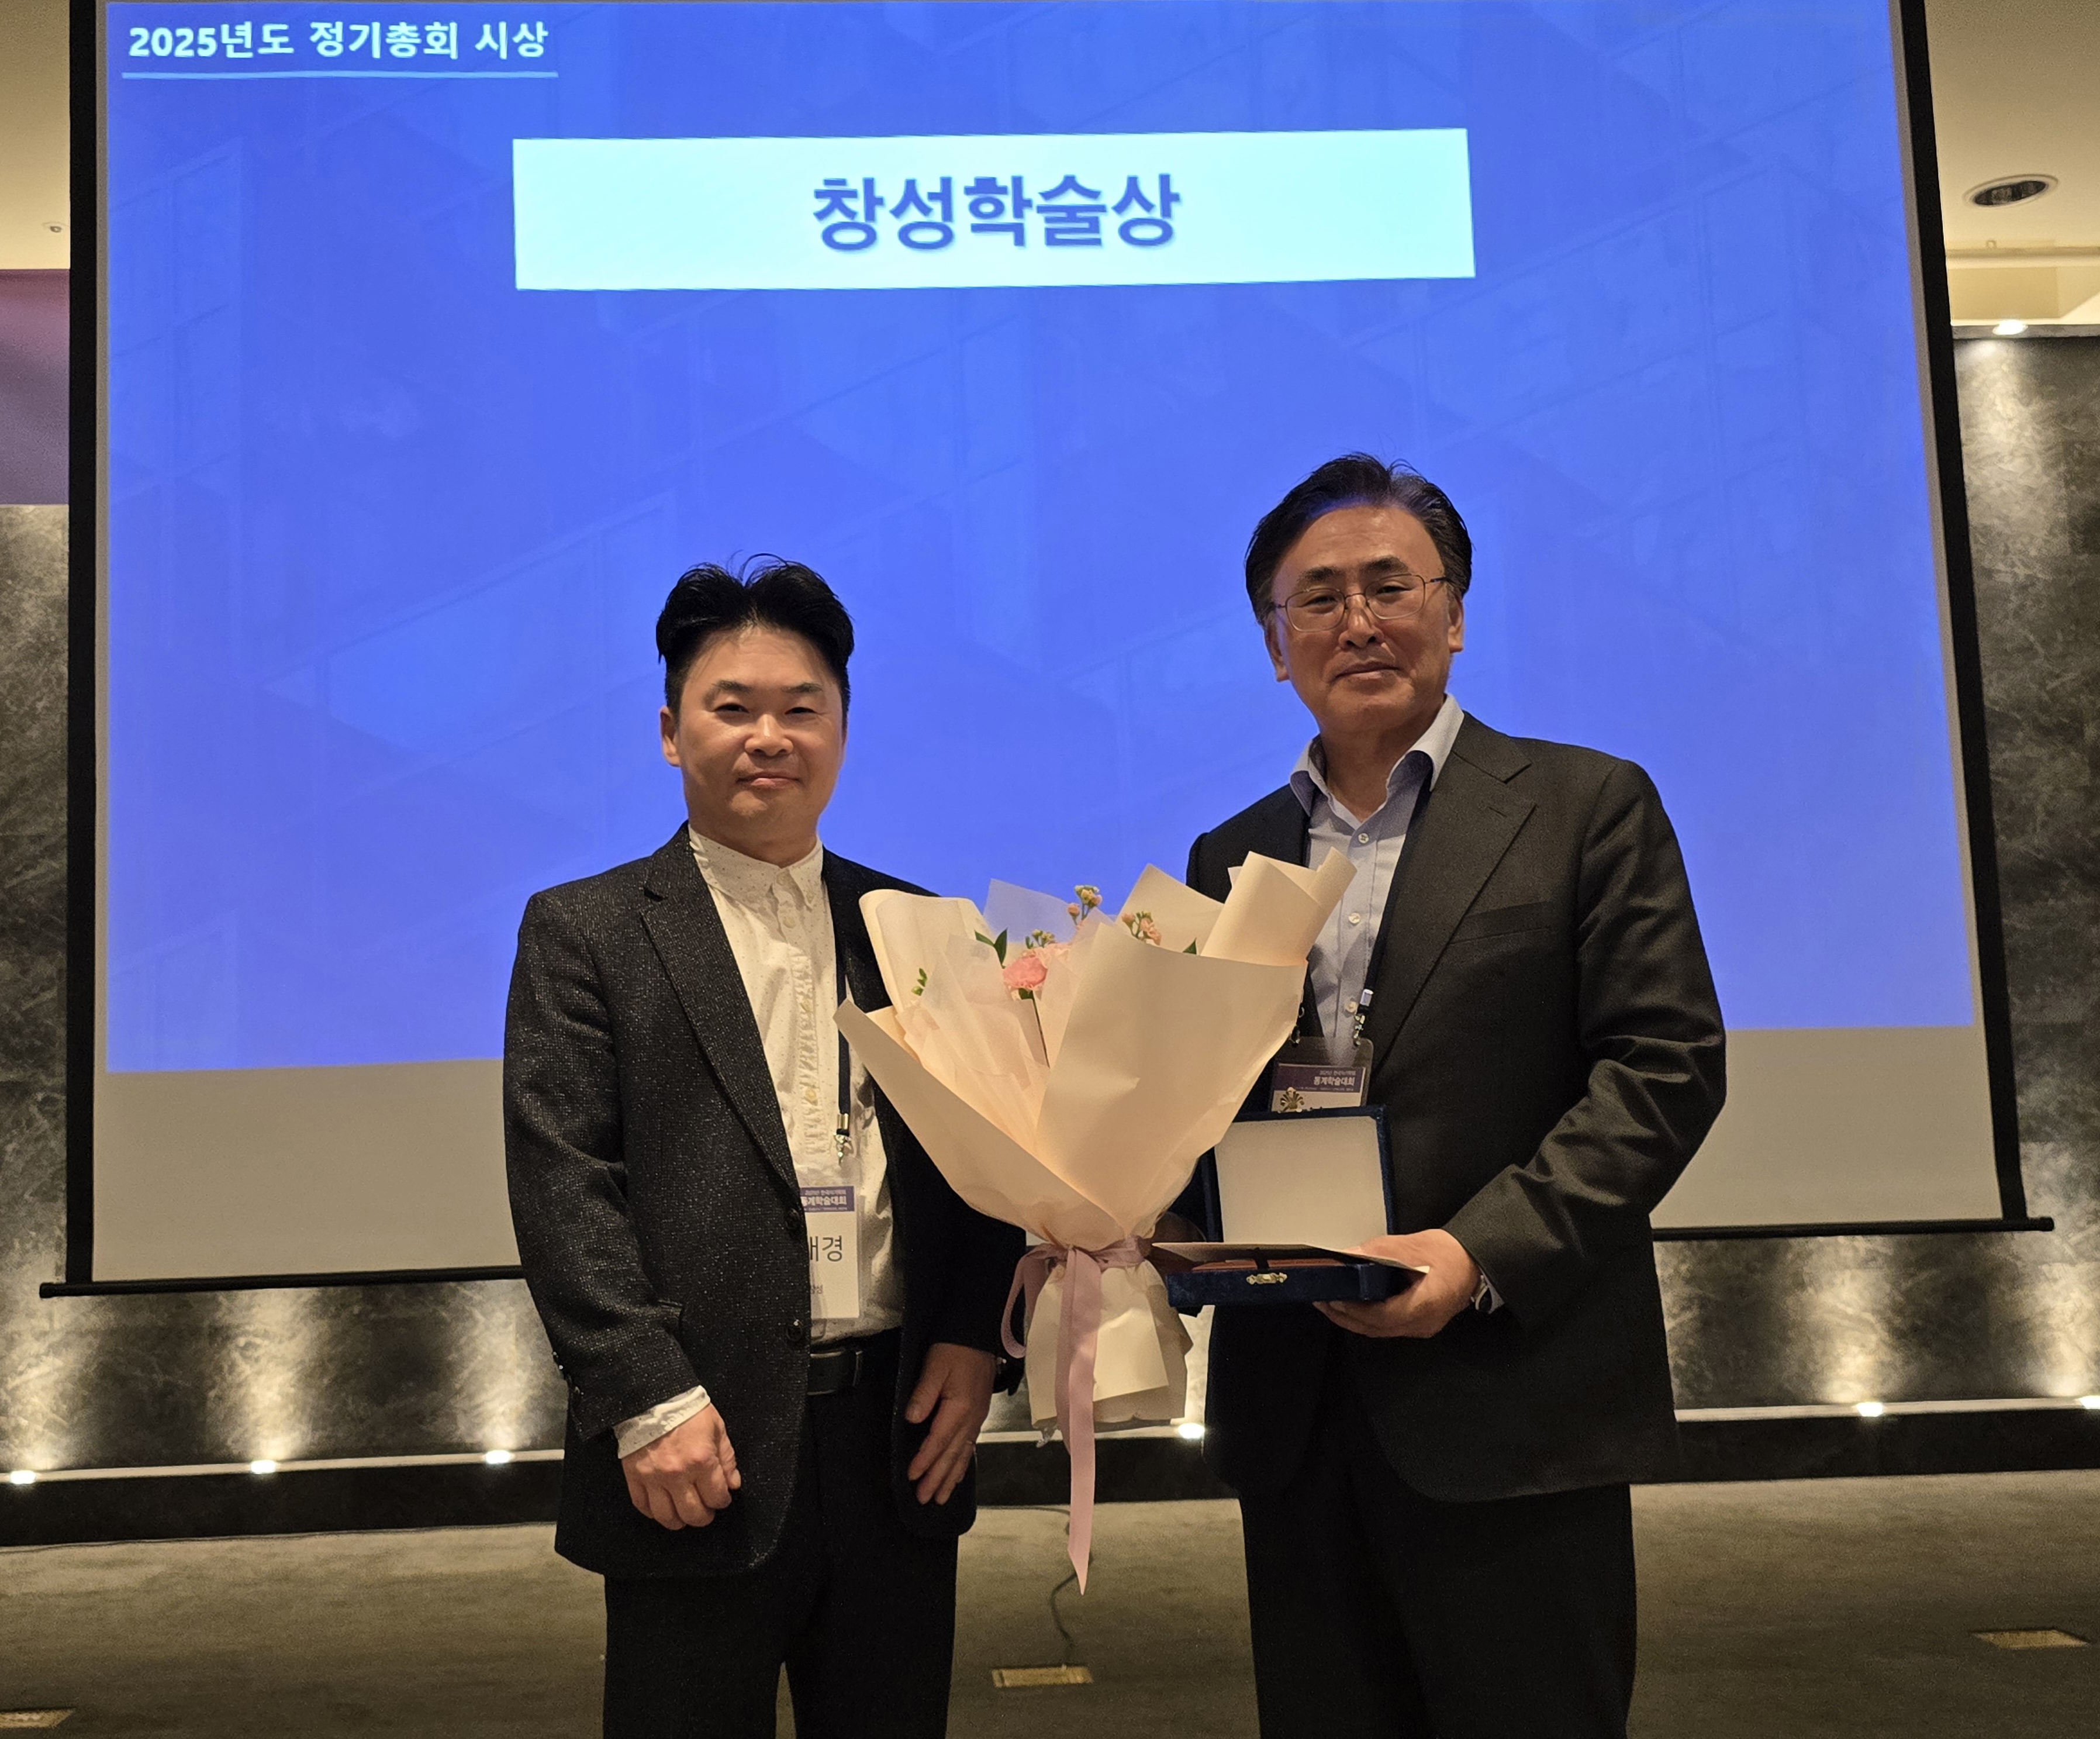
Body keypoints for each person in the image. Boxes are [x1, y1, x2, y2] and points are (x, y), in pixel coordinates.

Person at [1177, 456, 1727, 1738]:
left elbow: (1663, 1067)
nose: (1358, 621)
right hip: (1298, 1410)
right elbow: (1200, 1098)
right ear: (1274, 643)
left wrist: (1476, 1252)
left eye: (1391, 585)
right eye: (1318, 597)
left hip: (1510, 1401)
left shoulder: (1585, 806)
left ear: (1456, 613)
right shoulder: (1229, 854)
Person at [503, 559, 1023, 1739]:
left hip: (892, 1441)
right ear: (670, 731)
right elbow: (564, 1185)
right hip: (694, 1444)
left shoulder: (921, 928)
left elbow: (984, 1161)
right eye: (731, 706)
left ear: (841, 726)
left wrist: (970, 1337)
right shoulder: (586, 931)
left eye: (801, 706)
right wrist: (647, 1400)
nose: (768, 735)